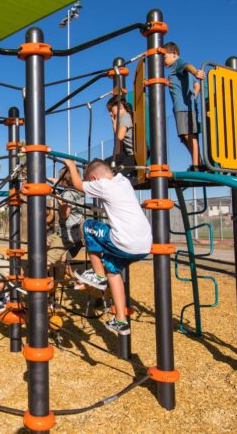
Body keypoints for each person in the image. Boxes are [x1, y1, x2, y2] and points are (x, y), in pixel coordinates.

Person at [63, 158, 152, 336]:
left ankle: (97, 275)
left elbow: (79, 185)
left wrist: (71, 166)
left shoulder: (103, 184)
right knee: (113, 271)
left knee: (86, 226)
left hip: (124, 241)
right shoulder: (123, 182)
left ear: (95, 178)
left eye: (91, 182)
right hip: (143, 246)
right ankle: (121, 320)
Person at [163, 42, 205, 169]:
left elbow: (188, 66)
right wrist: (193, 97)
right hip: (182, 107)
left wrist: (196, 72)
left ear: (174, 54)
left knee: (189, 135)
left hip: (183, 108)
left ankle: (196, 164)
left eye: (164, 57)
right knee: (184, 136)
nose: (163, 60)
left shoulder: (178, 63)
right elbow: (196, 85)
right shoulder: (178, 73)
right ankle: (199, 162)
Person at [49, 167, 85, 286]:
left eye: (60, 179)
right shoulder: (80, 191)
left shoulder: (67, 194)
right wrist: (55, 182)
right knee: (61, 261)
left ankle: (49, 288)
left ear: (64, 182)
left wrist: (58, 199)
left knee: (46, 261)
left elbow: (65, 214)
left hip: (66, 235)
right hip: (75, 233)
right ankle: (77, 281)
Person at [105, 95, 138, 183]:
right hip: (129, 153)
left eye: (111, 110)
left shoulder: (125, 117)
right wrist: (114, 121)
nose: (110, 113)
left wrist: (115, 121)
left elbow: (119, 136)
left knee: (118, 174)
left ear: (120, 106)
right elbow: (117, 134)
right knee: (106, 162)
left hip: (135, 155)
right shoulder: (123, 117)